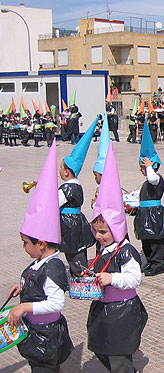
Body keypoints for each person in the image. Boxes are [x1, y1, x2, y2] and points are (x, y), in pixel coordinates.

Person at [8, 140, 73, 373]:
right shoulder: (40, 262)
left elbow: (56, 303)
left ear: (41, 243)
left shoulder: (54, 267)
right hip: (37, 333)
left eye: (26, 243)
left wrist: (25, 305)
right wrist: (22, 286)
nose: (24, 247)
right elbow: (38, 284)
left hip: (46, 336)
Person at [88, 141, 148, 373]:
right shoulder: (103, 249)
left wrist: (111, 278)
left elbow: (134, 278)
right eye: (96, 232)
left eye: (103, 232)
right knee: (100, 345)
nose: (98, 236)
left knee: (118, 354)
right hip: (104, 308)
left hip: (123, 310)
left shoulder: (126, 250)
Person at [58, 116, 100, 277]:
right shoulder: (76, 185)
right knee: (76, 251)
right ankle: (80, 273)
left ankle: (80, 277)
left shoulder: (67, 187)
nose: (59, 171)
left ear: (67, 171)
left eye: (61, 168)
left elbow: (55, 202)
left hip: (69, 224)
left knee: (74, 252)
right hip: (75, 222)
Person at [134, 121, 164, 276]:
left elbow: (152, 179)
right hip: (145, 214)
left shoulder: (157, 178)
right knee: (146, 241)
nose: (141, 171)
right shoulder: (145, 182)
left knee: (156, 242)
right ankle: (150, 261)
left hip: (155, 214)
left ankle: (157, 264)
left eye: (142, 168)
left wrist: (150, 166)